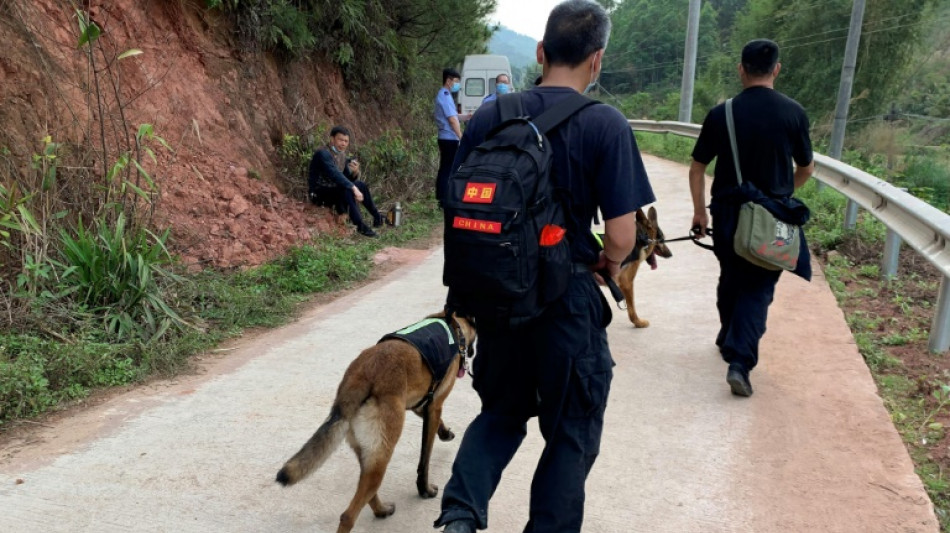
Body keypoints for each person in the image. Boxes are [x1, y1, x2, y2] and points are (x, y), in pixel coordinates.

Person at [434, 2, 655, 532]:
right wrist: (607, 264)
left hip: (499, 299)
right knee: (571, 431)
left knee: (500, 413)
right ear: (597, 60)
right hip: (566, 303)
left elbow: (455, 199)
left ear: (540, 51)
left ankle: (460, 515)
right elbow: (622, 236)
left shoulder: (492, 115)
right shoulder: (605, 123)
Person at [688, 39, 815, 397]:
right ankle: (740, 362)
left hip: (728, 213)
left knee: (731, 275)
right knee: (758, 287)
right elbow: (806, 168)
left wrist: (699, 211)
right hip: (772, 216)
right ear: (777, 69)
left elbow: (697, 167)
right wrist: (780, 194)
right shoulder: (793, 113)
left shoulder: (721, 113)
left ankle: (728, 335)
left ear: (741, 69)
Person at [308, 125, 383, 238]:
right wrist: (354, 188)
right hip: (319, 193)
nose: (343, 143)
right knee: (347, 188)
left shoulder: (341, 155)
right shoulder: (322, 153)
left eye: (346, 141)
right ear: (332, 139)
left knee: (361, 185)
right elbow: (334, 174)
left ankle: (377, 217)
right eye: (340, 140)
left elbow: (346, 179)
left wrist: (355, 172)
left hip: (335, 192)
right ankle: (361, 227)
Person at [434, 67, 462, 205]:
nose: (457, 84)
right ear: (449, 80)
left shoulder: (446, 95)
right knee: (447, 169)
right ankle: (444, 199)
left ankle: (443, 196)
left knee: (446, 167)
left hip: (447, 138)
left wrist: (468, 116)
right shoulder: (444, 95)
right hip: (449, 138)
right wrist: (461, 136)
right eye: (456, 81)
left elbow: (455, 116)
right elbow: (452, 120)